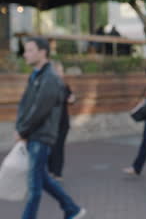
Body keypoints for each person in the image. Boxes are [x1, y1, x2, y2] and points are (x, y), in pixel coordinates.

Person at [16, 38, 86, 219]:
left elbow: (39, 110)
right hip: (34, 135)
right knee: (43, 180)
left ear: (43, 52)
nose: (25, 54)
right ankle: (72, 209)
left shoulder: (50, 79)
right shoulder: (37, 76)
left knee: (34, 188)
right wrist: (21, 128)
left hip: (41, 136)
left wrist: (22, 130)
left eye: (30, 50)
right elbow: (26, 105)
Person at [48, 61, 76, 181]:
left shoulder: (65, 86)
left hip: (63, 123)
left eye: (62, 71)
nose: (61, 73)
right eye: (59, 71)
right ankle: (50, 171)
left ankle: (57, 173)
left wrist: (73, 99)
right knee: (50, 147)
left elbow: (71, 99)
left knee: (59, 147)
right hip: (50, 123)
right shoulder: (48, 86)